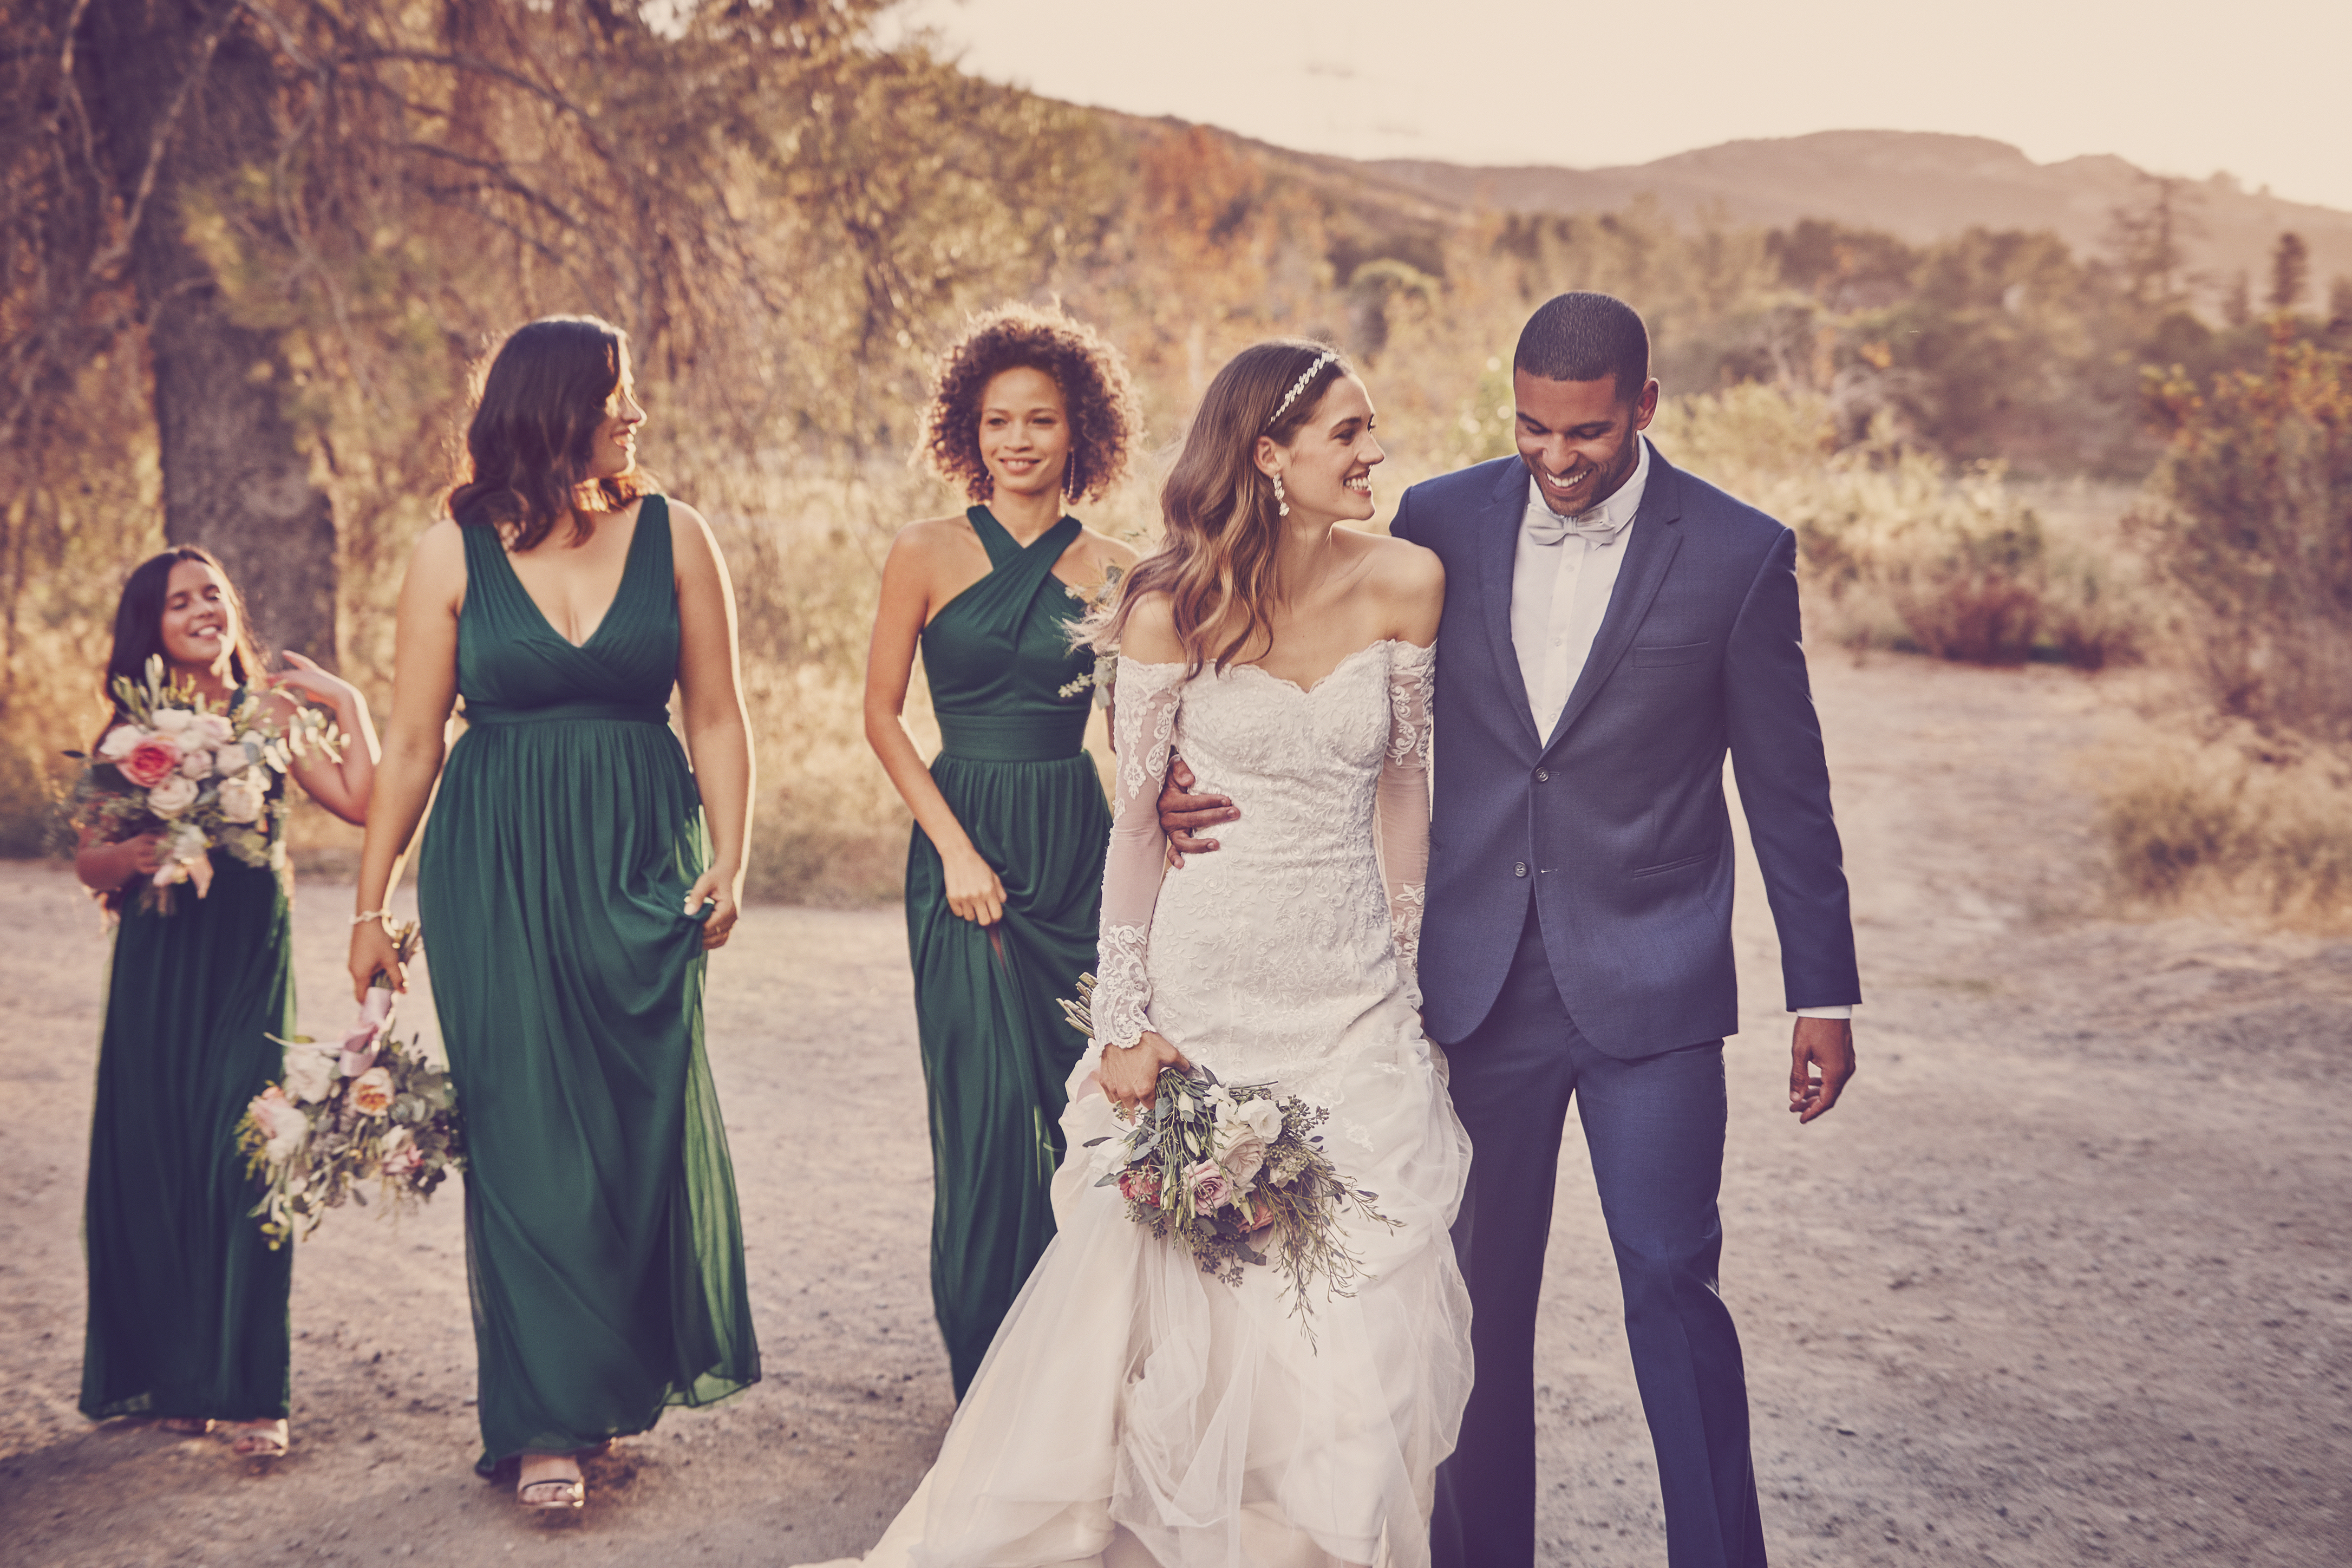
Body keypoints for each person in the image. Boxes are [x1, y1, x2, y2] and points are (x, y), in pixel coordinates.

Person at [1162, 292, 1861, 1567]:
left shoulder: (1741, 552)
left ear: (1644, 408)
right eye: (1533, 428)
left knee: (1670, 1279)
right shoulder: (1439, 521)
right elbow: (1314, 679)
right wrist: (1171, 772)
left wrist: (1827, 993)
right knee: (1476, 1307)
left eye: (1585, 434)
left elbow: (1787, 789)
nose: (1556, 458)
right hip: (1476, 984)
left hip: (1654, 985)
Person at [802, 340, 1471, 1568]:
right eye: (1349, 432)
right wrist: (1122, 1017)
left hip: (1354, 990)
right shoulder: (1169, 602)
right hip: (1204, 975)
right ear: (1267, 456)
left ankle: (1304, 1539)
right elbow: (1139, 807)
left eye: (1372, 429)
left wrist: (1406, 969)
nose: (1376, 452)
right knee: (1168, 1285)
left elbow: (1407, 778)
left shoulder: (1411, 581)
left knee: (1356, 1294)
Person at [347, 315, 759, 1512]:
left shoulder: (678, 533)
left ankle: (608, 1376)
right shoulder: (449, 552)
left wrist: (731, 859)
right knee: (525, 1127)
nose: (634, 415)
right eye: (615, 395)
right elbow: (417, 738)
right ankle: (542, 1419)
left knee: (636, 1117)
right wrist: (371, 901)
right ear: (554, 407)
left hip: (641, 851)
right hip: (495, 862)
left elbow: (720, 715)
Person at [864, 303, 1139, 1398]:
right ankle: (987, 1381)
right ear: (967, 431)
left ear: (1081, 433)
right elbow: (881, 716)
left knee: (1084, 1116)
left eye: (1041, 420)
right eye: (997, 421)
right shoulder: (923, 553)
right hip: (962, 849)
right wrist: (955, 853)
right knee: (981, 1121)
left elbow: (1141, 734)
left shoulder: (1120, 569)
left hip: (1078, 846)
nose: (1018, 440)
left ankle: (1072, 1379)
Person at [77, 545, 378, 1459]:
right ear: (153, 629)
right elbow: (90, 856)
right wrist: (138, 858)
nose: (203, 607)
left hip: (250, 959)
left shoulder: (274, 713)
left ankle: (252, 1392)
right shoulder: (130, 738)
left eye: (213, 593)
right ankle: (178, 1375)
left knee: (248, 1151)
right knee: (160, 1155)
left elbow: (362, 801)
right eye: (180, 602)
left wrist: (350, 705)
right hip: (160, 966)